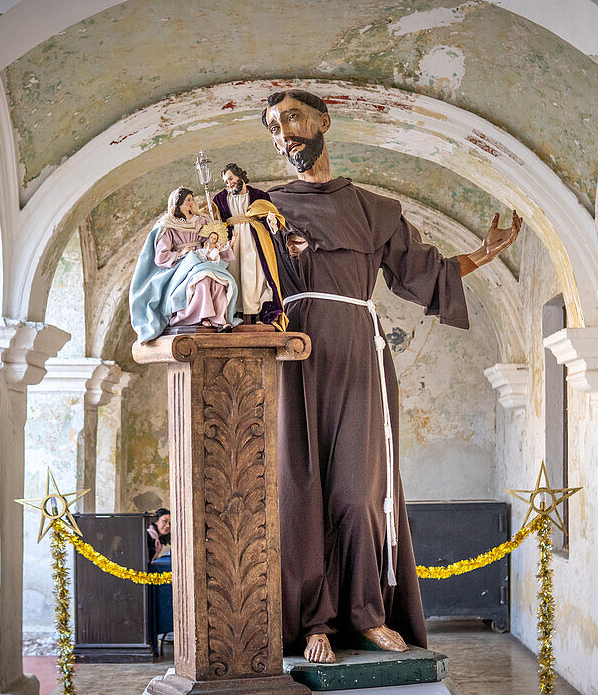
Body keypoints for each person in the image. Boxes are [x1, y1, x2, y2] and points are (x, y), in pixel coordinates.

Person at [260, 89, 522, 664]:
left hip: (359, 357)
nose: (285, 133)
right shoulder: (261, 207)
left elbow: (420, 273)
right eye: (274, 126)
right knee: (298, 494)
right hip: (290, 358)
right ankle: (313, 623)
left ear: (324, 121)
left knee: (360, 496)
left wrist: (484, 253)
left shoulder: (375, 210)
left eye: (294, 118)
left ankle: (366, 614)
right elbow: (230, 282)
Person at [129, 187, 242, 341]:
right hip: (181, 264)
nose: (191, 203)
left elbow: (211, 240)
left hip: (203, 258)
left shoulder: (202, 220)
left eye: (192, 199)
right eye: (187, 200)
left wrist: (217, 242)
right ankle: (202, 316)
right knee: (202, 280)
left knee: (218, 281)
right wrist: (181, 253)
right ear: (178, 204)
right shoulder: (168, 225)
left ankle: (220, 319)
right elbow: (161, 256)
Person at [212, 163, 288, 327]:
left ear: (240, 176)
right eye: (226, 182)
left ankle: (259, 317)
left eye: (231, 178)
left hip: (255, 242)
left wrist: (270, 221)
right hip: (234, 243)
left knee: (256, 278)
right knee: (235, 277)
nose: (229, 184)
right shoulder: (219, 199)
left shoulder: (259, 196)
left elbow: (269, 219)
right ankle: (235, 318)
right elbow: (214, 220)